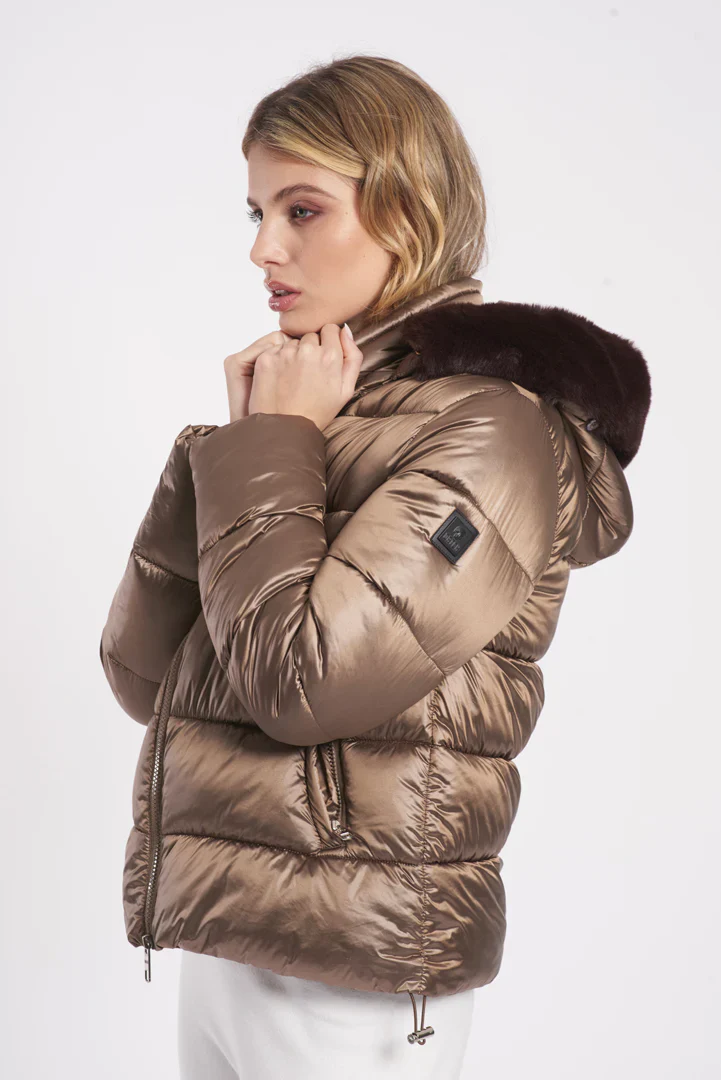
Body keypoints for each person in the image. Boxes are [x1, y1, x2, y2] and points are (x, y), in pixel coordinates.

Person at [99, 54, 652, 1080]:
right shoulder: (315, 411)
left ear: (408, 212)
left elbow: (301, 686)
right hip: (225, 941)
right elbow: (146, 682)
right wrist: (248, 446)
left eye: (302, 210)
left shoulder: (490, 433)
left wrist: (273, 448)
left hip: (356, 975)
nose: (263, 248)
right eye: (257, 211)